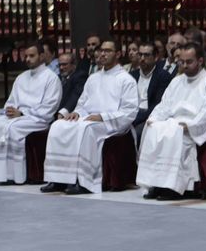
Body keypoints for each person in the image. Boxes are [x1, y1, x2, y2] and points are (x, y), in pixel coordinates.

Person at [39, 39, 136, 194]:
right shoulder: (93, 78)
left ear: (118, 54)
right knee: (58, 126)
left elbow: (129, 111)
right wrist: (76, 113)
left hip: (110, 122)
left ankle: (85, 181)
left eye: (108, 51)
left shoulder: (126, 80)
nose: (103, 54)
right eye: (102, 50)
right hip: (88, 118)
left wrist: (102, 116)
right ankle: (58, 179)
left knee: (86, 130)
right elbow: (83, 103)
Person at [135, 42, 206, 199]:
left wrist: (191, 126)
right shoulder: (177, 81)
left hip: (196, 127)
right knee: (153, 131)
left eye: (189, 62)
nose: (184, 65)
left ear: (200, 61)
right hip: (174, 123)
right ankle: (156, 183)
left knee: (176, 136)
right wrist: (154, 119)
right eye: (181, 62)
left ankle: (176, 187)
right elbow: (164, 105)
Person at [0, 42, 60, 185]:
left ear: (41, 56)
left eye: (32, 56)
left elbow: (49, 108)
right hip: (17, 117)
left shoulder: (51, 78)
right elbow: (11, 101)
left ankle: (12, 176)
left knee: (13, 130)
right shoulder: (21, 77)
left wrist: (22, 113)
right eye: (26, 56)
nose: (27, 59)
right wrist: (11, 110)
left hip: (37, 120)